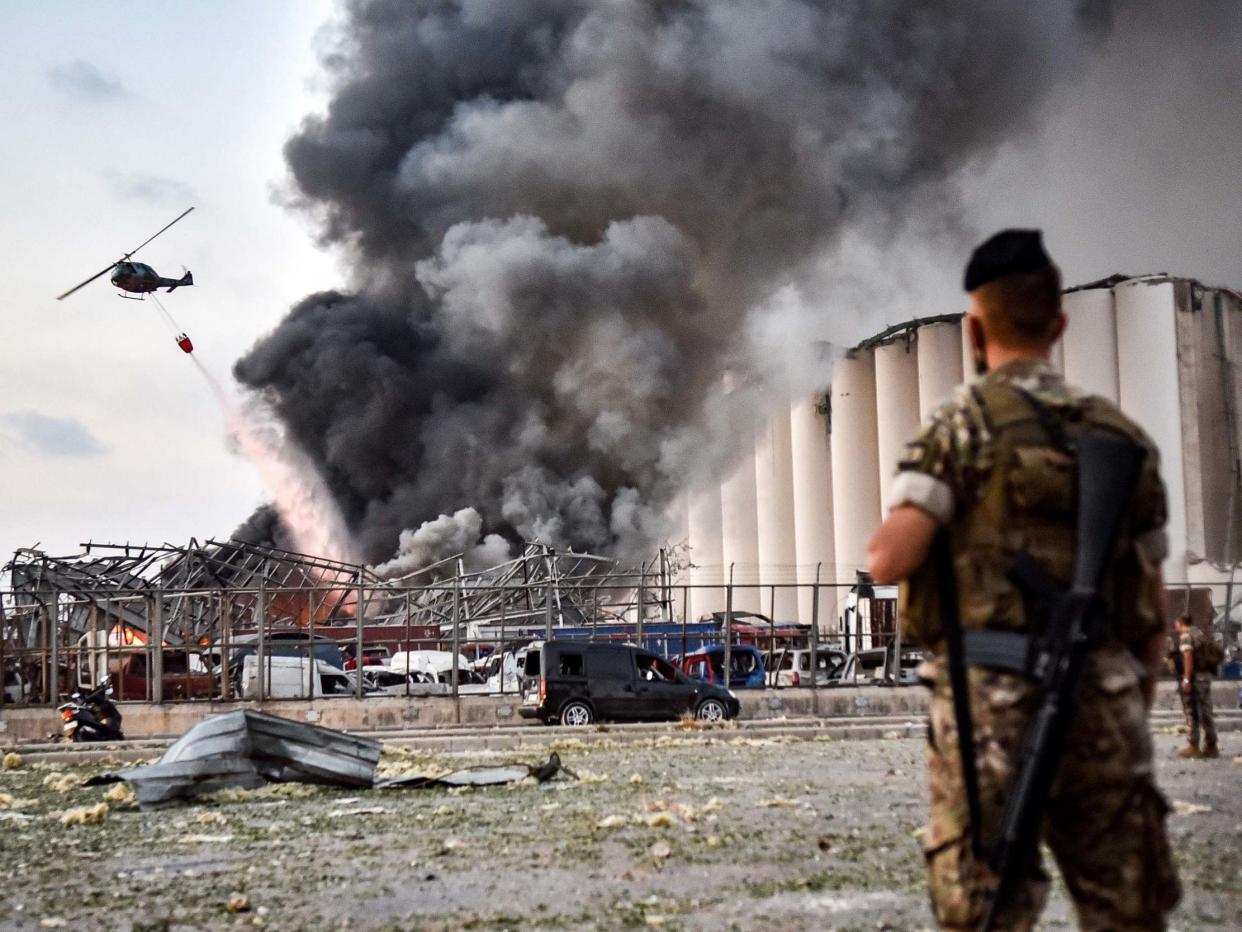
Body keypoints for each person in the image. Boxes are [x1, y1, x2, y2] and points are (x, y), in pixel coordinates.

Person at [866, 229, 1181, 931]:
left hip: (991, 709)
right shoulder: (1122, 437)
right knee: (1126, 911)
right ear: (1060, 324)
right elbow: (1152, 606)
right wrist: (1126, 692)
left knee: (986, 907)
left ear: (974, 329)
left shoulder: (962, 424)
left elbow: (888, 560)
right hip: (1102, 695)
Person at [1174, 614, 1218, 758]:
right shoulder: (1199, 633)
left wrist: (1186, 679)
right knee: (1206, 711)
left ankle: (1193, 746)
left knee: (1191, 710)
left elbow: (1188, 656)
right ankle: (1211, 746)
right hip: (1205, 677)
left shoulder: (1186, 636)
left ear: (1181, 623)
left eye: (1176, 624)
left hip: (1195, 678)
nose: (1176, 627)